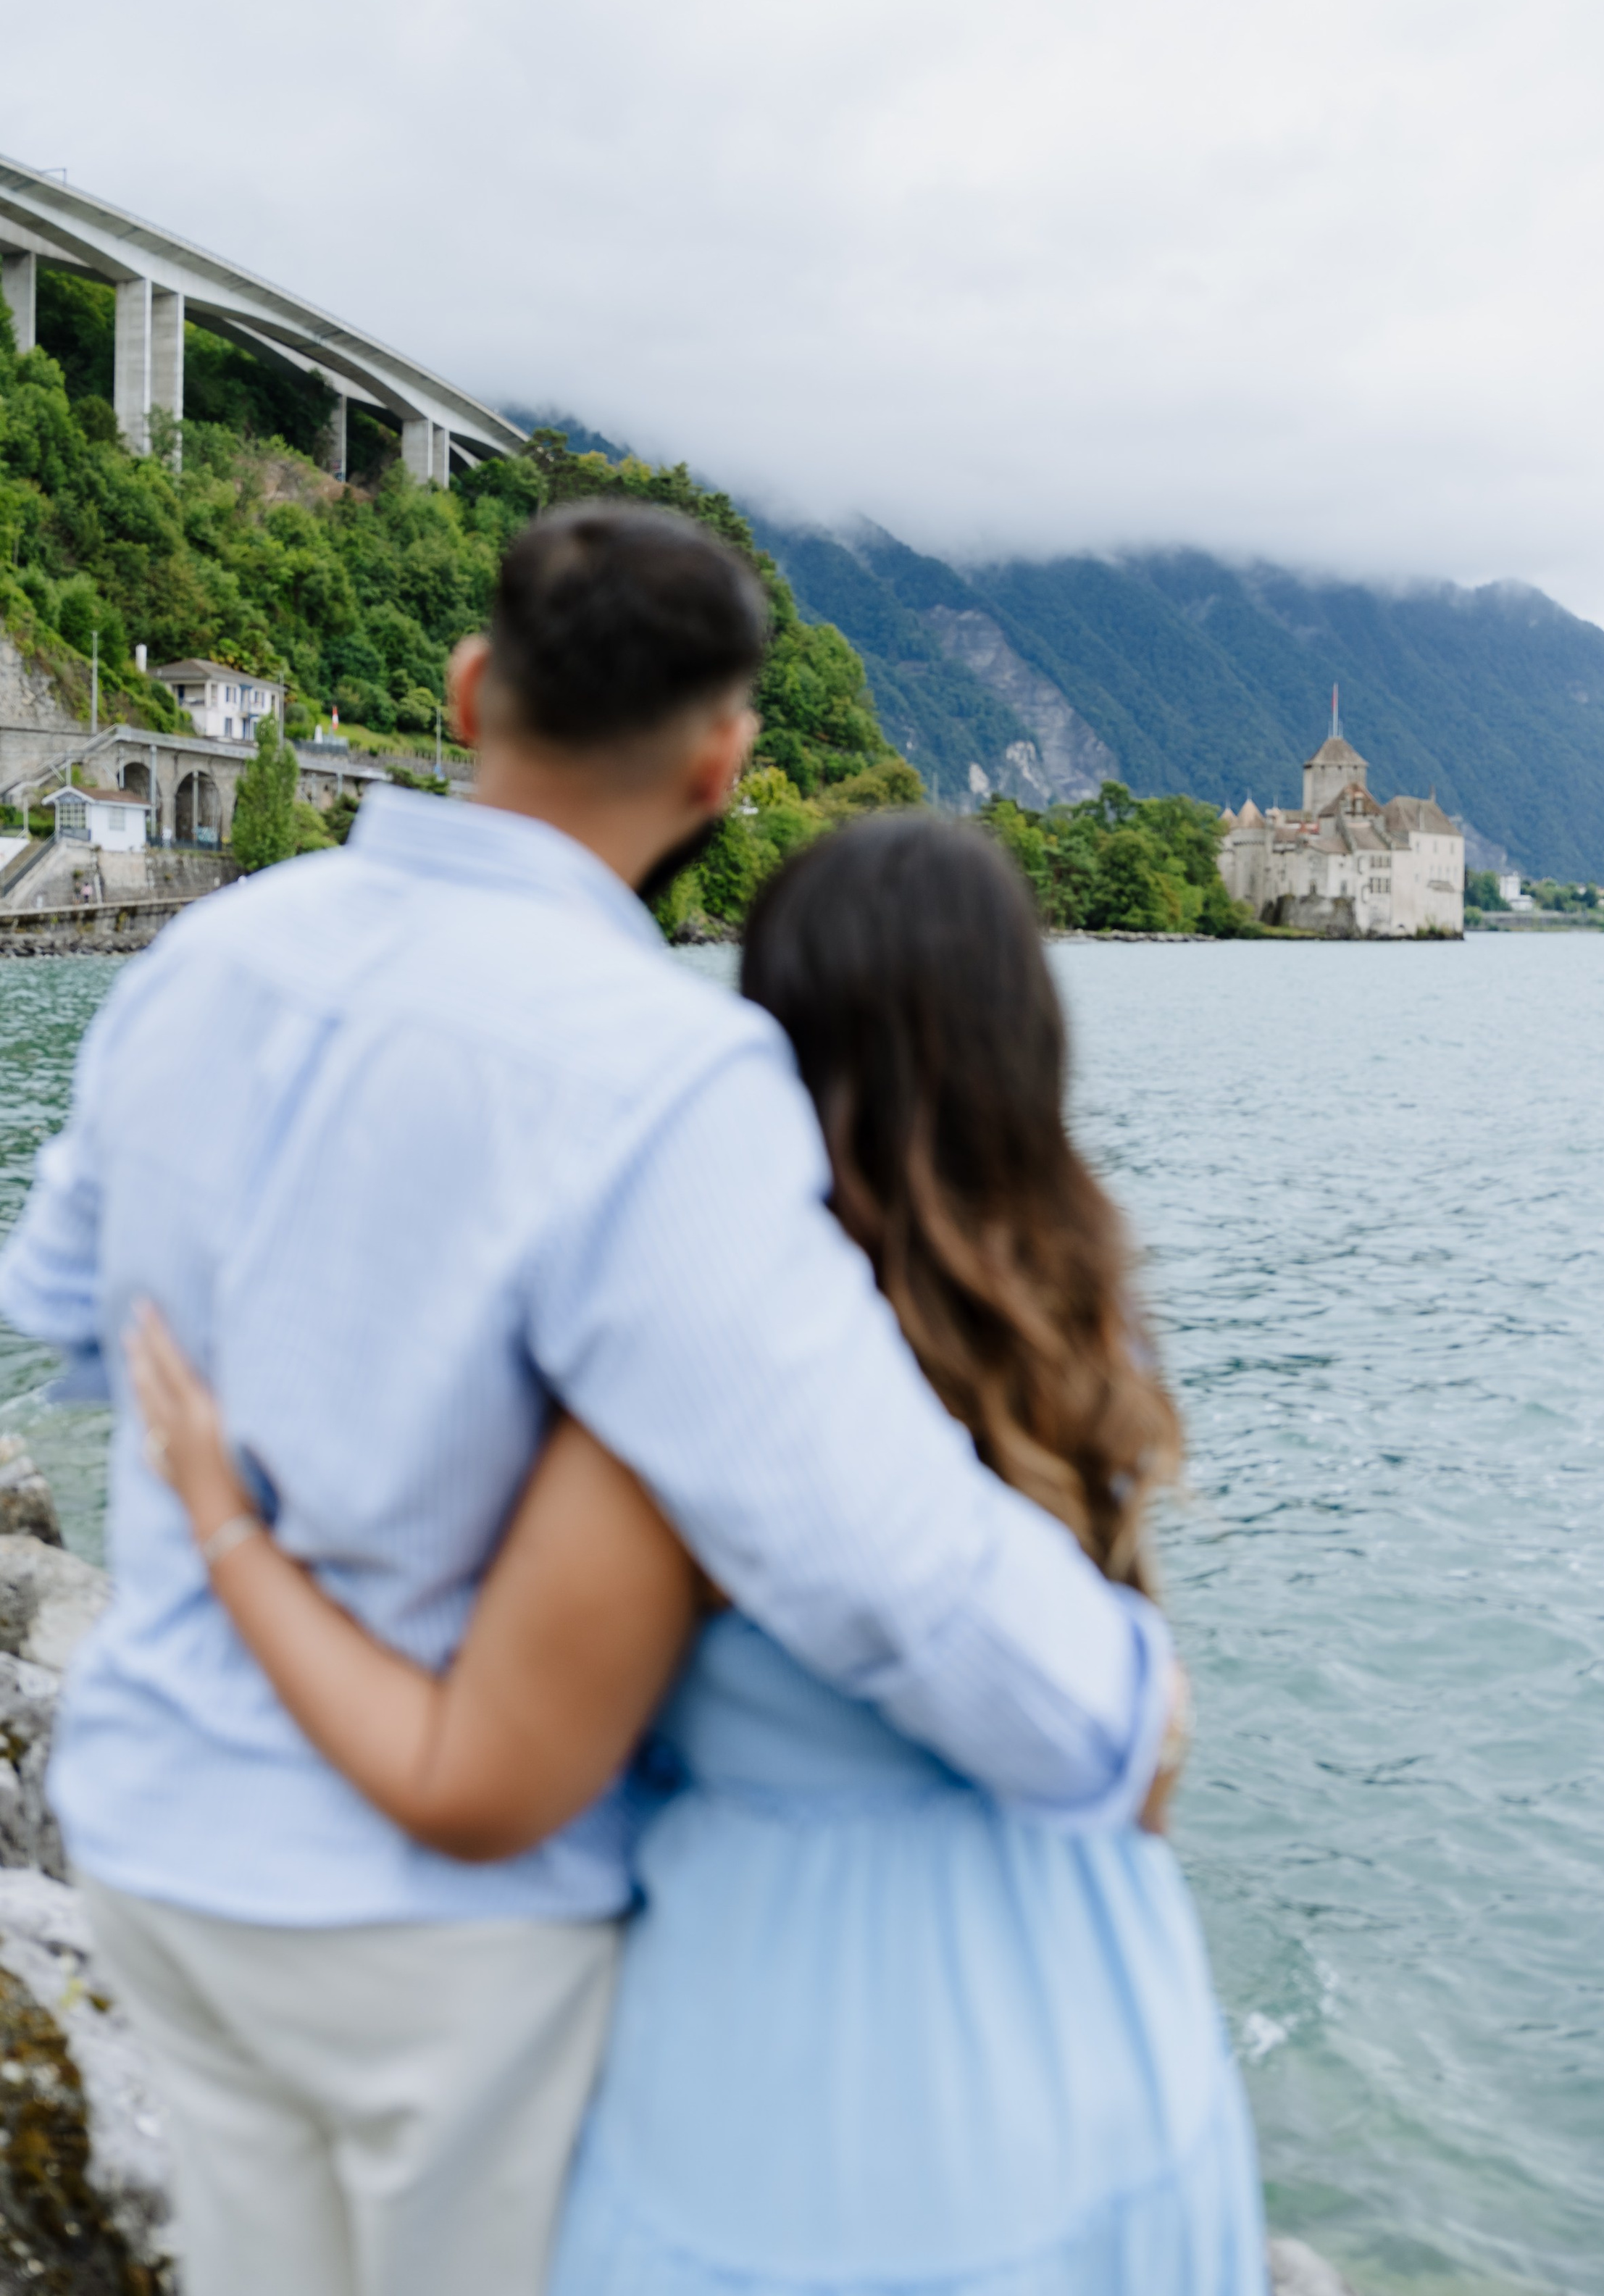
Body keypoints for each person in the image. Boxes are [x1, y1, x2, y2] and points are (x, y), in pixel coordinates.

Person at [0, 506, 1177, 2296]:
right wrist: (1110, 1703)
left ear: (471, 688)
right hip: (427, 1927)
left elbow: (63, 1302)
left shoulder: (205, 961)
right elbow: (857, 1529)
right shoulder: (668, 1074)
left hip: (161, 1833)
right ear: (723, 758)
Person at [128, 810, 1269, 2295]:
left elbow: (466, 1781)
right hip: (1120, 2066)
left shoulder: (701, 1414)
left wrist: (223, 1524)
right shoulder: (1070, 1338)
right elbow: (1140, 1757)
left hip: (808, 2128)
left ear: (769, 1052)